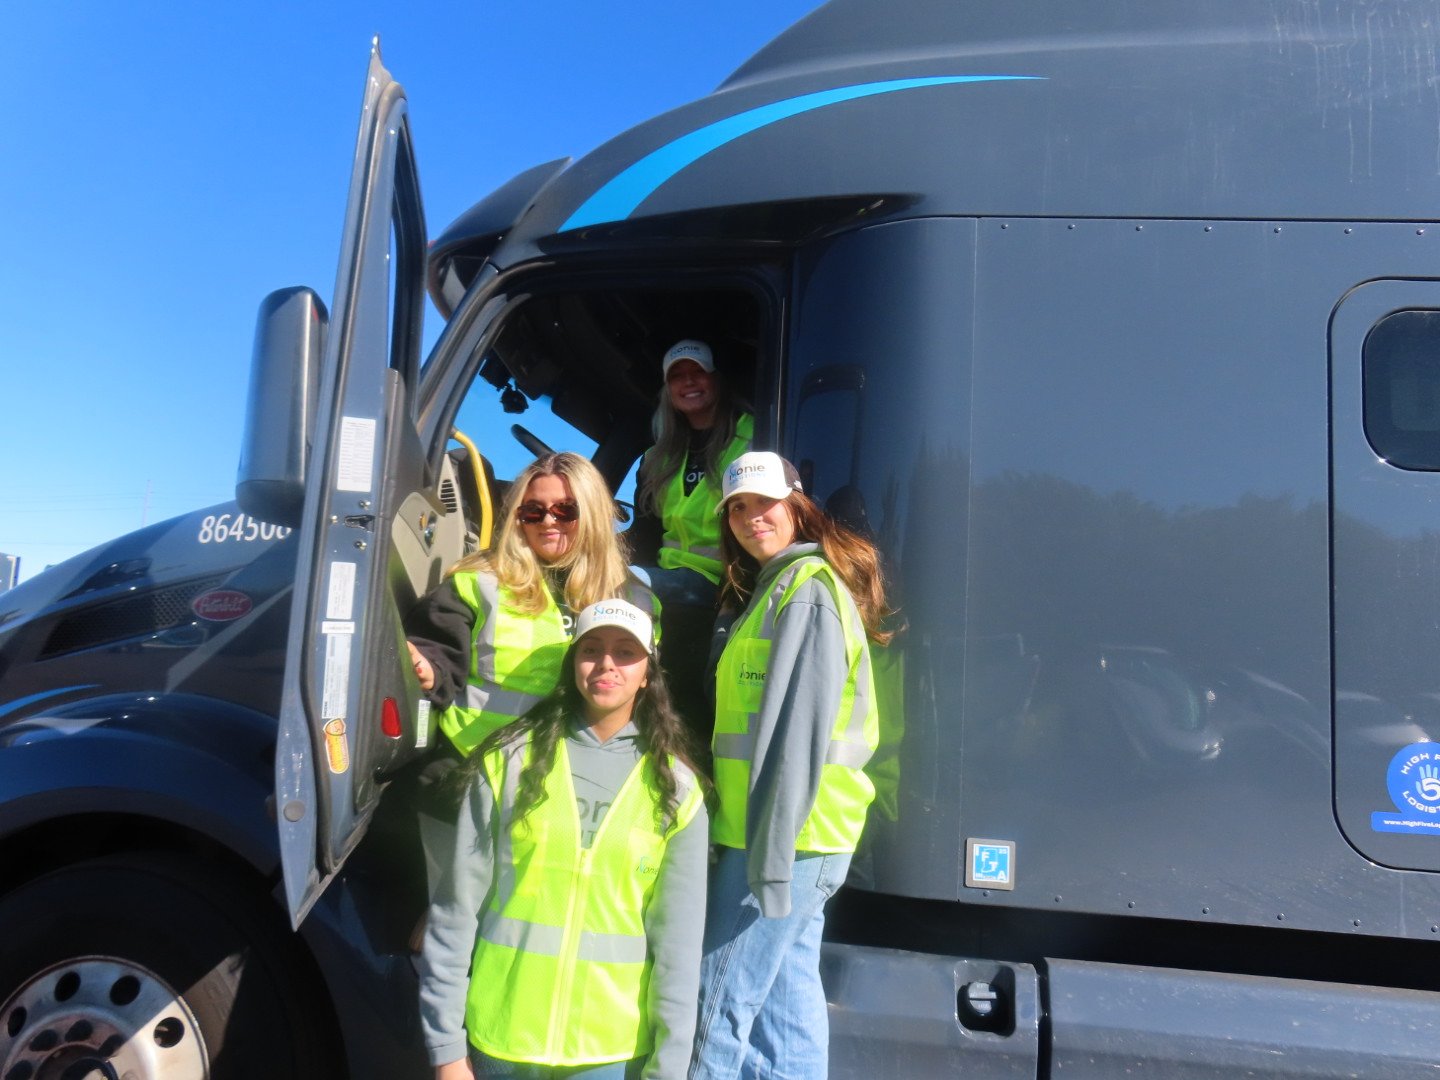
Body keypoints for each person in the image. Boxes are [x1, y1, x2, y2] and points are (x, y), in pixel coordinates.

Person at [417, 599, 710, 1080]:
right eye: (591, 649)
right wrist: (447, 1051)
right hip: (502, 1044)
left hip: (606, 1054)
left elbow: (678, 947)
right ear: (573, 663)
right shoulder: (507, 764)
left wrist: (669, 1068)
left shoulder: (677, 791)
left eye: (625, 652)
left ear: (648, 672)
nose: (606, 664)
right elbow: (455, 913)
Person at [690, 452, 893, 1080]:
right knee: (785, 1014)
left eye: (766, 503)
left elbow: (799, 734)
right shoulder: (781, 587)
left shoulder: (807, 593)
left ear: (798, 504)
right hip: (799, 835)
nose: (753, 518)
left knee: (715, 1007)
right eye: (739, 508)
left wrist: (769, 859)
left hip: (781, 839)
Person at [407, 451, 654, 755]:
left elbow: (647, 692)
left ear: (593, 513)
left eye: (565, 510)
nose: (548, 521)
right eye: (533, 511)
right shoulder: (479, 582)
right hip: (471, 763)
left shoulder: (634, 598)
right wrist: (428, 669)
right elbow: (438, 653)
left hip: (574, 770)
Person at [629, 339, 753, 731]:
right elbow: (645, 533)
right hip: (671, 581)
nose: (688, 382)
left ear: (716, 379)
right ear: (668, 390)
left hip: (723, 581)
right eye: (677, 376)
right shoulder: (657, 456)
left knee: (617, 586)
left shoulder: (754, 437)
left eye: (698, 372)